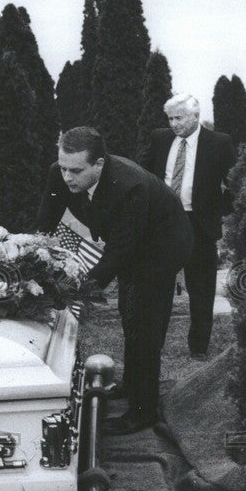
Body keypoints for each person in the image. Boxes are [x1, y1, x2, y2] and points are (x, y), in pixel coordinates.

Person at [39, 127, 193, 434]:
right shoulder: (62, 171)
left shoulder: (129, 185)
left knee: (143, 324)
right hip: (131, 242)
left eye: (76, 171)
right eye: (64, 168)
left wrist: (77, 291)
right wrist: (32, 256)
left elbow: (119, 254)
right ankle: (133, 384)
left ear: (99, 163)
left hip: (162, 245)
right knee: (128, 312)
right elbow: (45, 219)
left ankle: (143, 410)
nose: (68, 177)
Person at [137, 93, 236, 360]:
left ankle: (199, 347)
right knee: (158, 287)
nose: (173, 123)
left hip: (198, 224)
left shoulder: (219, 143)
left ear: (195, 116)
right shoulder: (160, 139)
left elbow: (235, 182)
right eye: (170, 118)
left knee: (201, 289)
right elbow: (142, 174)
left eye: (179, 118)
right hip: (162, 222)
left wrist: (219, 208)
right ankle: (152, 344)